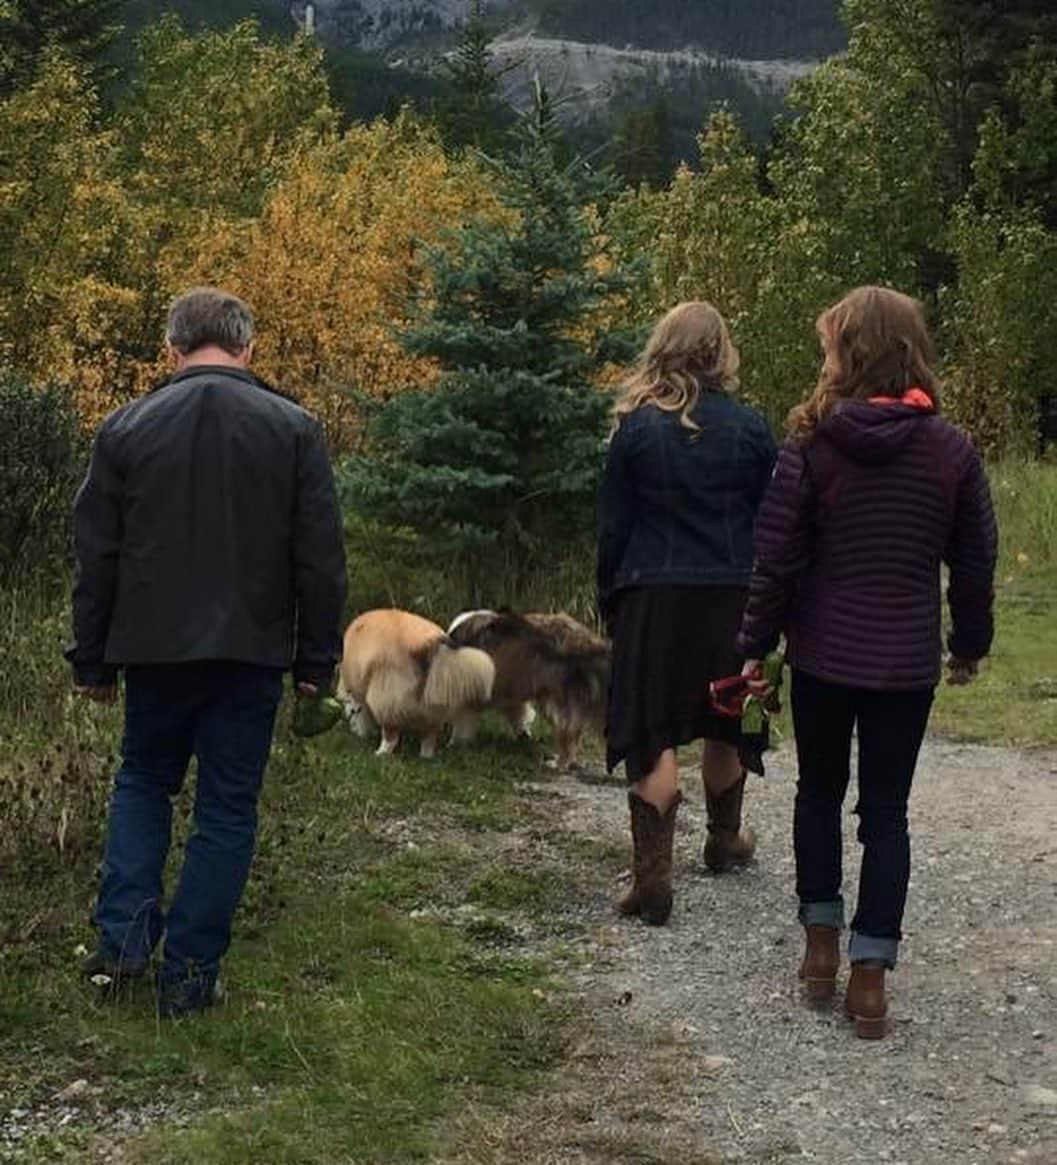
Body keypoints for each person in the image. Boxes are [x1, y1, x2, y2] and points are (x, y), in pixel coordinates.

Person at [67, 287, 346, 1017]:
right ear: (248, 347)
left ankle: (123, 942)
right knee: (225, 810)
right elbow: (320, 559)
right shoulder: (294, 430)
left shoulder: (124, 428)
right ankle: (189, 978)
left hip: (151, 650)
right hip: (249, 652)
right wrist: (317, 660)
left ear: (173, 348)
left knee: (142, 782)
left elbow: (96, 555)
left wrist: (90, 661)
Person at [737, 285, 997, 1039]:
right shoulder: (950, 451)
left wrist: (754, 645)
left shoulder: (811, 444)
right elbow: (973, 563)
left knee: (818, 793)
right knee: (886, 813)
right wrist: (969, 645)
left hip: (822, 651)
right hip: (904, 662)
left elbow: (775, 559)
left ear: (846, 354)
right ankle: (869, 979)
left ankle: (819, 944)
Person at [597, 301, 778, 926]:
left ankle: (653, 879)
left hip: (655, 595)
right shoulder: (752, 428)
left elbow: (614, 528)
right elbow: (771, 521)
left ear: (663, 349)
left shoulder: (635, 430)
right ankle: (725, 842)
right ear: (720, 352)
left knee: (654, 726)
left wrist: (609, 600)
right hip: (735, 594)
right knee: (726, 715)